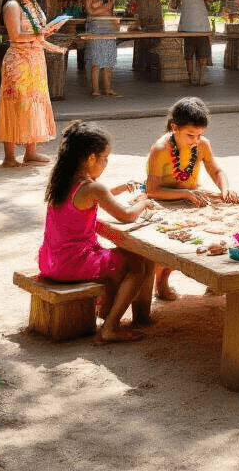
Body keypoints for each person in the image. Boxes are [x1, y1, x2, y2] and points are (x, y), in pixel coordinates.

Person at [39, 121, 157, 342]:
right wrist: (145, 202)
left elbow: (88, 199)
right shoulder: (93, 188)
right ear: (91, 158)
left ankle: (109, 312)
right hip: (71, 264)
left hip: (50, 260)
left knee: (123, 258)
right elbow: (127, 215)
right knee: (137, 264)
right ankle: (110, 328)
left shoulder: (62, 181)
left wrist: (120, 188)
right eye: (104, 158)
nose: (105, 163)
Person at [145, 97, 239, 300]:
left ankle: (214, 280)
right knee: (174, 241)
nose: (195, 141)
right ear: (174, 128)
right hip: (165, 199)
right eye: (190, 135)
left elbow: (216, 170)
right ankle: (161, 282)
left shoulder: (202, 145)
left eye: (200, 135)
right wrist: (184, 194)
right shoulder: (160, 149)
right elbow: (152, 190)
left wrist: (225, 189)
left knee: (216, 231)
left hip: (192, 195)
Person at [0, 0, 67, 168]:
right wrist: (39, 35)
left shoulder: (33, 3)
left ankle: (31, 151)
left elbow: (39, 33)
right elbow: (15, 36)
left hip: (36, 58)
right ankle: (9, 155)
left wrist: (50, 43)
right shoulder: (12, 6)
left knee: (36, 101)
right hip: (18, 59)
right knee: (15, 101)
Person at [170, 0, 213, 87]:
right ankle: (200, 79)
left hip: (186, 21)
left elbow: (174, 1)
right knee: (202, 50)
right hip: (201, 20)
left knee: (188, 50)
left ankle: (190, 78)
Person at [82, 0, 119, 98]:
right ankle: (95, 89)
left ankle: (108, 88)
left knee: (108, 59)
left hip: (108, 27)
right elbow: (90, 12)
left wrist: (102, 10)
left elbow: (110, 9)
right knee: (96, 59)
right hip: (96, 27)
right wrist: (103, 8)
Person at [126, 0, 165, 73]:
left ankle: (155, 66)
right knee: (142, 41)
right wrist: (133, 14)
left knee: (156, 41)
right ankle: (141, 67)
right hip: (142, 15)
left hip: (155, 14)